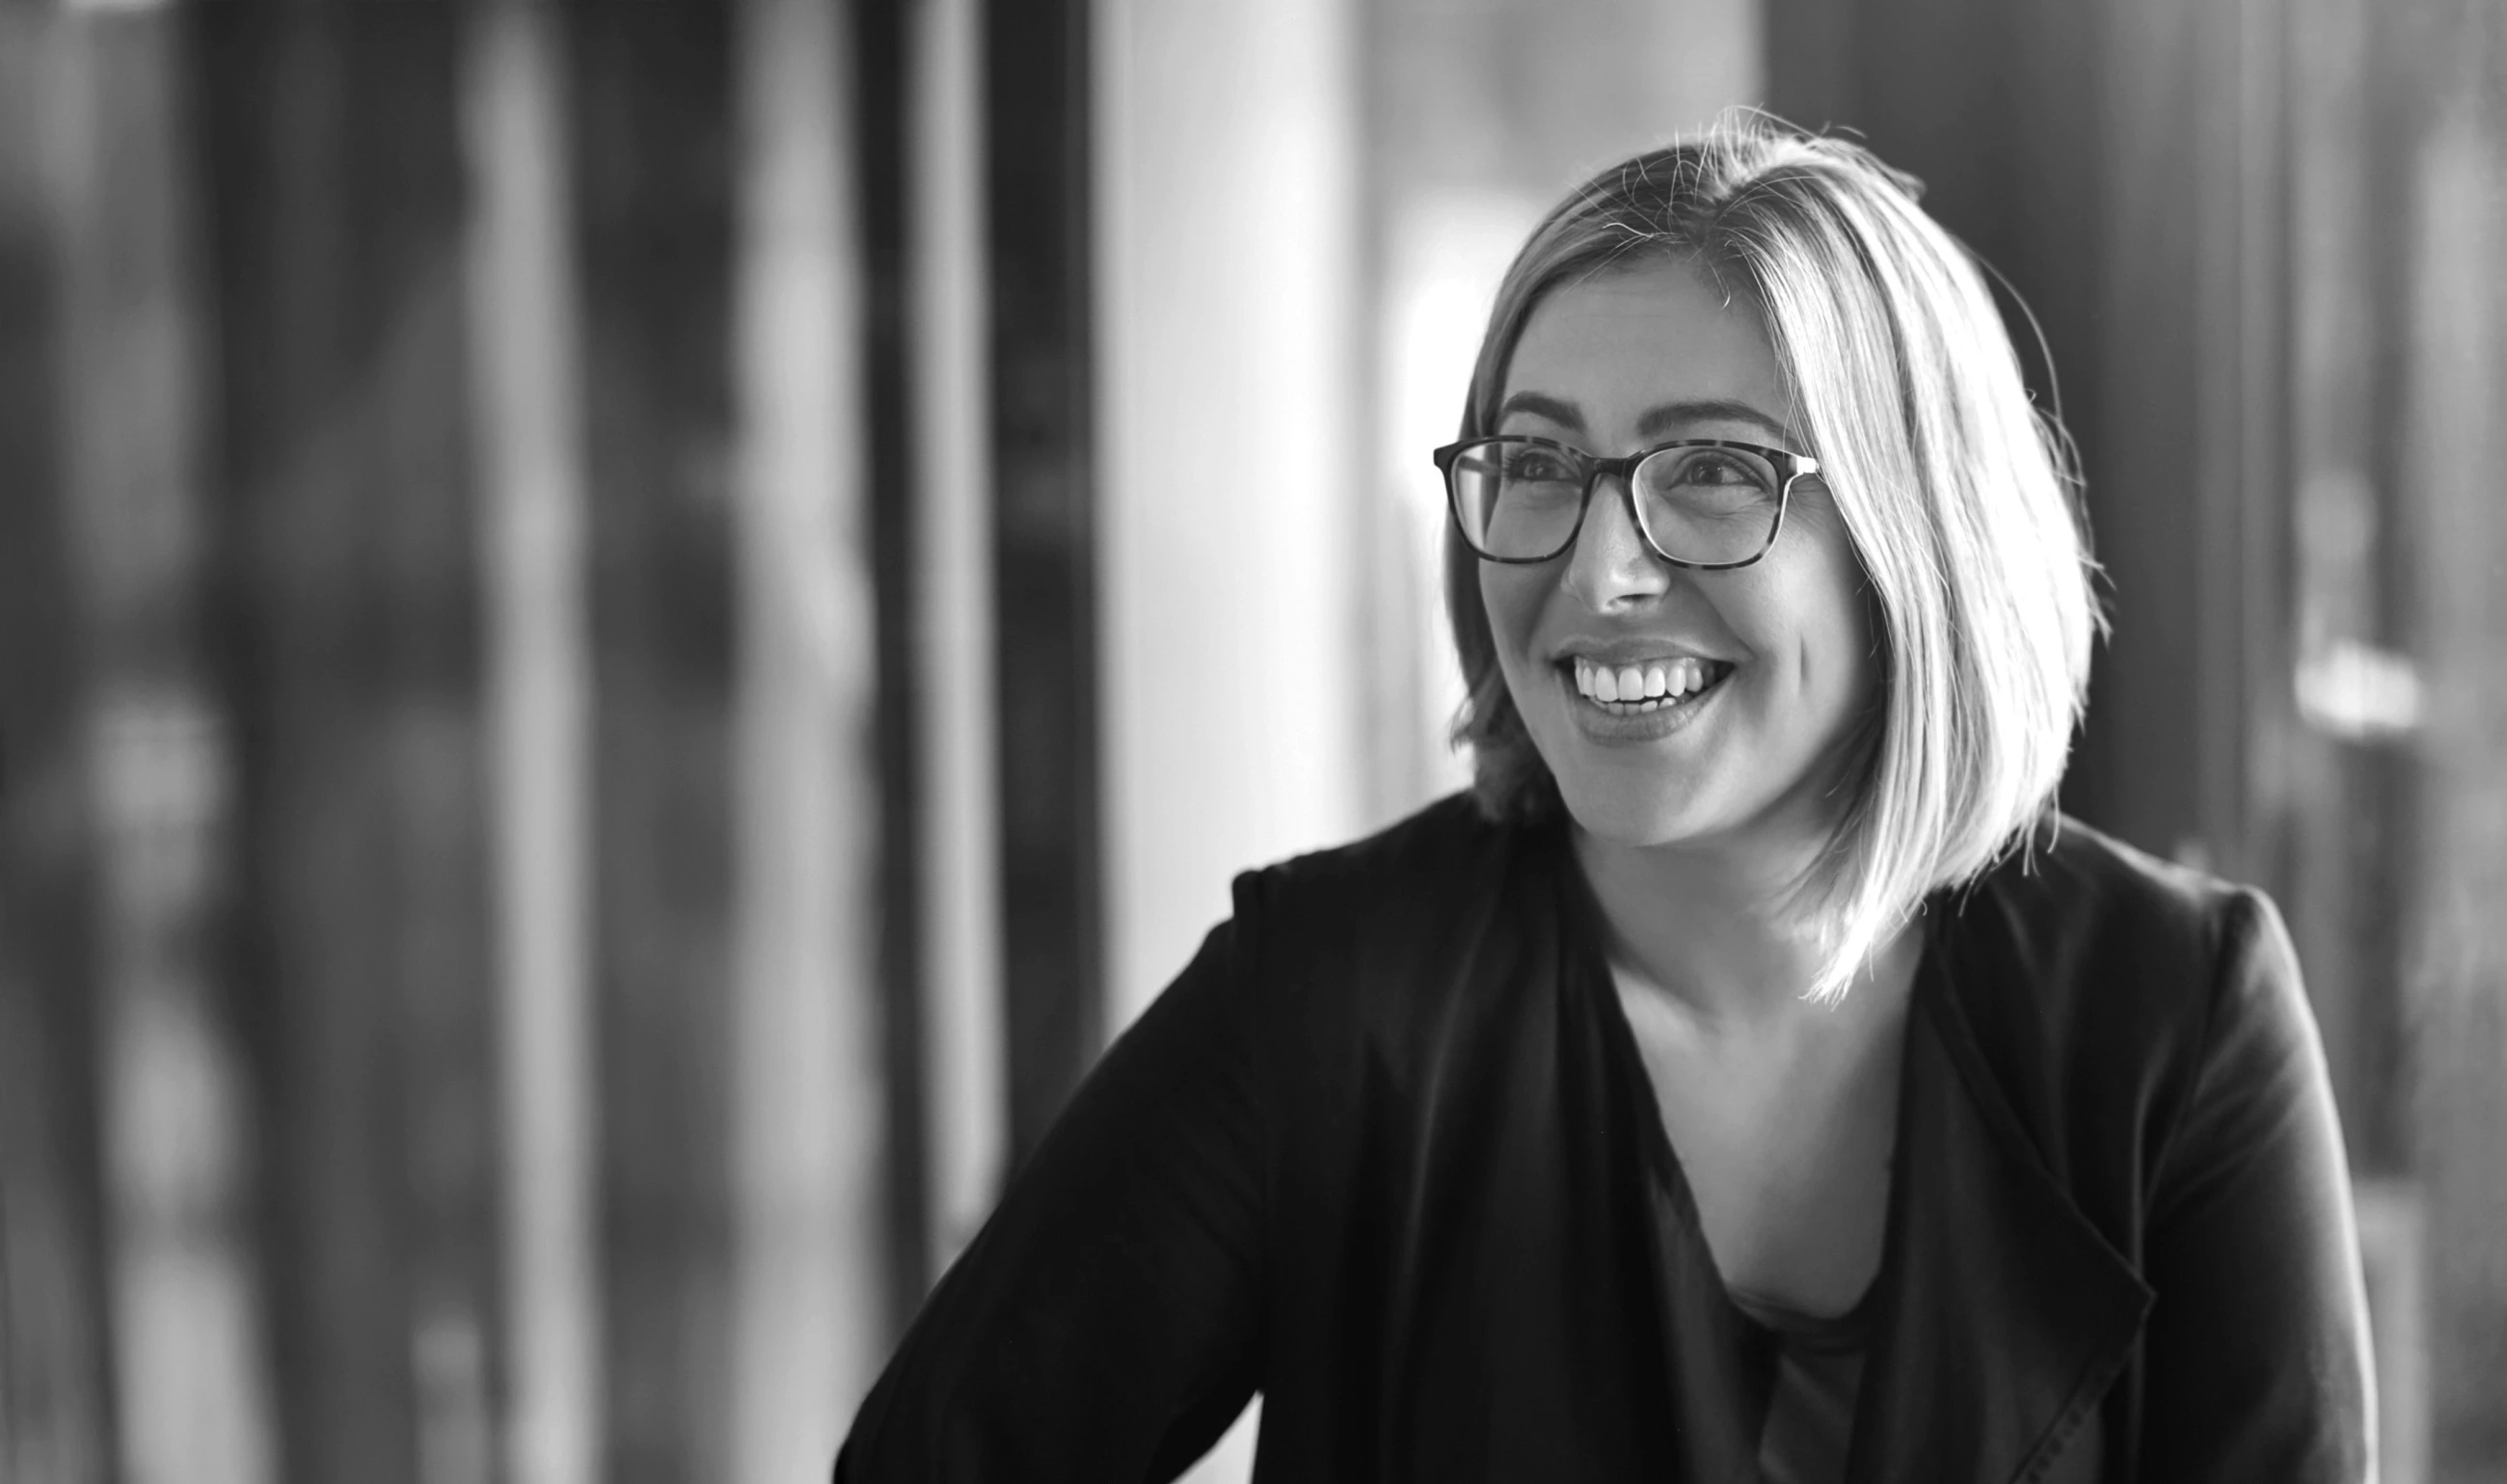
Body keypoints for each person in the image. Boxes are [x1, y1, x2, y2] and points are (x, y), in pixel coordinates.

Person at [835, 112, 2375, 1483]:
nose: (1595, 568)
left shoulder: (2180, 1021)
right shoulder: (1327, 997)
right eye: (1539, 463)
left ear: (1920, 537)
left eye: (1712, 470)